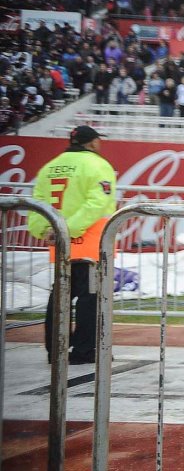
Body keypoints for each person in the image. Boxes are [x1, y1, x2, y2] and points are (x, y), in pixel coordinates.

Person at [28, 125, 117, 366]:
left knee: (60, 296)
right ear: (93, 142)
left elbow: (37, 204)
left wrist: (46, 230)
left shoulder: (50, 167)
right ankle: (84, 350)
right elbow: (97, 203)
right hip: (90, 244)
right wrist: (69, 230)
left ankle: (55, 350)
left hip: (59, 243)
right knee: (90, 298)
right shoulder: (97, 165)